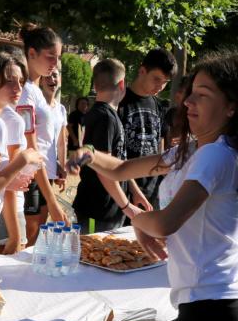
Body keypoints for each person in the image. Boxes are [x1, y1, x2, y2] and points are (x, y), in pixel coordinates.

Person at [68, 51, 238, 321]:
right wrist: (88, 153)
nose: (188, 101)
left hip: (212, 310)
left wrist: (138, 218)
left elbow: (165, 223)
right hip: (209, 308)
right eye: (190, 91)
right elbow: (120, 169)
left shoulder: (215, 154)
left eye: (202, 94)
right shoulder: (190, 151)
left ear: (231, 107)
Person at [0, 47, 42, 256]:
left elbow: (12, 185)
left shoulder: (11, 120)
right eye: (10, 80)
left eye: (21, 82)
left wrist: (15, 234)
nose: (17, 88)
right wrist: (25, 159)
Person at [72, 59, 144, 233]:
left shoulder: (107, 115)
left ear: (95, 86)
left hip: (108, 208)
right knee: (93, 258)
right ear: (122, 84)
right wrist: (126, 206)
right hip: (97, 211)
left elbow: (119, 162)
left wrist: (134, 191)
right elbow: (103, 169)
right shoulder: (105, 118)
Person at [17, 24, 66, 243]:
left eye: (58, 58)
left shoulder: (35, 90)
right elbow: (31, 147)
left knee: (34, 242)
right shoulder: (25, 92)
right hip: (28, 176)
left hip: (41, 175)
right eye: (51, 57)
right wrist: (52, 201)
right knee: (26, 242)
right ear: (31, 53)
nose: (55, 64)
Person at [117, 48, 177, 209]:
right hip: (124, 192)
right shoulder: (119, 102)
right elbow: (116, 155)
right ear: (142, 70)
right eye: (157, 79)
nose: (160, 87)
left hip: (153, 191)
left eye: (165, 82)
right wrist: (134, 190)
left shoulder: (158, 106)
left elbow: (160, 145)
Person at [40, 65, 68, 193]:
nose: (52, 79)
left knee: (45, 212)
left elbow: (61, 143)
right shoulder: (36, 106)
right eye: (47, 76)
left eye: (55, 75)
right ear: (40, 80)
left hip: (51, 169)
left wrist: (61, 168)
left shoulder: (61, 109)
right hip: (35, 170)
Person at [163, 75, 190, 148]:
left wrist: (192, 140)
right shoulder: (171, 113)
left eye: (181, 92)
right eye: (178, 91)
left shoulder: (198, 116)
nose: (177, 95)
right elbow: (165, 141)